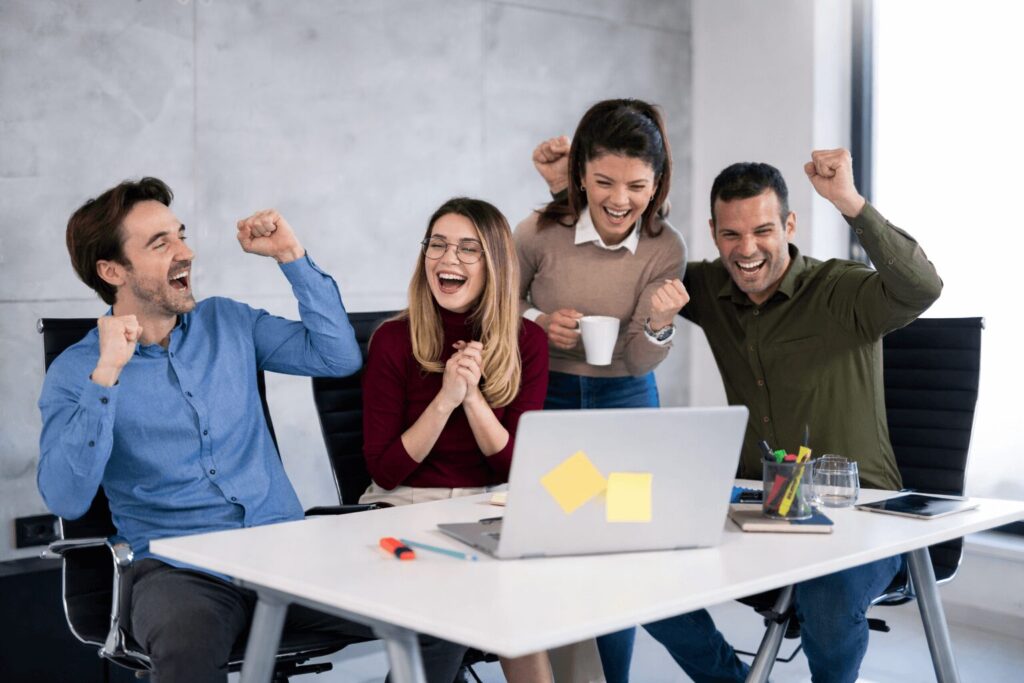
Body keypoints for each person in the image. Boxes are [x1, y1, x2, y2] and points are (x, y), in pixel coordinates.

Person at [534, 146, 942, 683]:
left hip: (858, 512)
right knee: (640, 576)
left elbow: (922, 287)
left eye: (763, 231)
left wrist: (849, 201)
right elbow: (626, 259)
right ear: (713, 232)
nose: (747, 250)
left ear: (790, 224)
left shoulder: (842, 290)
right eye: (731, 235)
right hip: (759, 508)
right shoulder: (710, 288)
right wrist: (571, 190)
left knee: (825, 595)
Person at [37, 178, 467, 683]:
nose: (186, 252)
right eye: (161, 244)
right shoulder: (79, 371)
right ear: (112, 271)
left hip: (285, 554)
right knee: (185, 651)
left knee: (443, 608)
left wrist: (291, 256)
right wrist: (106, 375)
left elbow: (337, 355)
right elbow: (66, 498)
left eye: (181, 234)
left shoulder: (228, 322)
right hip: (179, 570)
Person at [516, 99, 688, 681]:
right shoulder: (538, 233)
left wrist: (660, 325)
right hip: (553, 402)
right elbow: (493, 309)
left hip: (628, 405)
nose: (620, 200)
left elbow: (639, 358)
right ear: (580, 174)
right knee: (560, 543)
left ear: (658, 182)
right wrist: (538, 324)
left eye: (637, 186)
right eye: (603, 182)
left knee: (622, 554)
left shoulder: (666, 249)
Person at [359, 197, 551, 681]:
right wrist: (445, 399)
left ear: (496, 265)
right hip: (404, 506)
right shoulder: (391, 340)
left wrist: (473, 399)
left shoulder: (528, 343)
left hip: (488, 506)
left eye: (469, 249)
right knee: (454, 599)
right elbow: (385, 471)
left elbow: (515, 470)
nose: (449, 259)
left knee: (533, 611)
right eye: (438, 245)